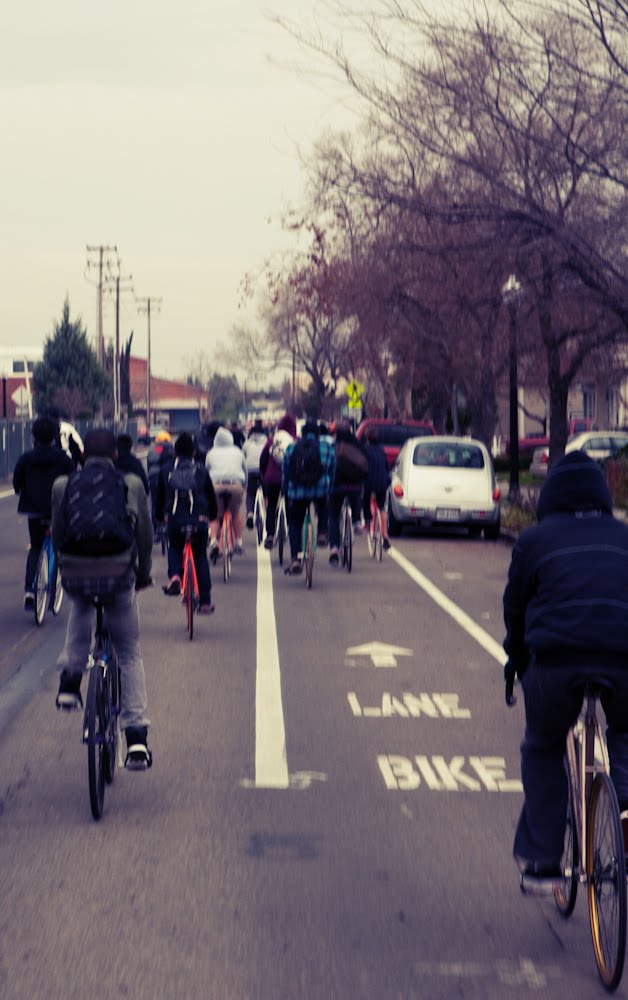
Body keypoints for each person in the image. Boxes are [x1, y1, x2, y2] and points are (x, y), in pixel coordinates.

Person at [503, 451, 628, 888]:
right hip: (623, 658)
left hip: (556, 662)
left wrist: (515, 660)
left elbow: (515, 611)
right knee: (627, 734)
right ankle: (626, 813)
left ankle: (543, 861)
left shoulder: (534, 541)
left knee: (542, 746)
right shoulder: (624, 537)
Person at [52, 428, 154, 770]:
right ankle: (136, 739)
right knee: (129, 651)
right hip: (119, 573)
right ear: (115, 456)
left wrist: (68, 567)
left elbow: (59, 533)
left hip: (77, 572)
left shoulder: (63, 485)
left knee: (80, 604)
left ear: (82, 456)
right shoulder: (131, 484)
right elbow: (144, 536)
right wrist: (142, 575)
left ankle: (70, 683)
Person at [13, 416, 75, 610]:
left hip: (33, 509)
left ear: (34, 436)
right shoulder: (63, 459)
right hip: (57, 508)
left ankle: (29, 590)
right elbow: (73, 482)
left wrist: (23, 490)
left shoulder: (26, 458)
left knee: (36, 547)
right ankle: (57, 586)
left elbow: (17, 483)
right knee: (59, 545)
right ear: (55, 436)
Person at [156, 432, 217, 613]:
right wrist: (212, 516)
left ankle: (175, 576)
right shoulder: (201, 470)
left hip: (175, 519)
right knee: (200, 556)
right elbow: (211, 496)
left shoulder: (166, 470)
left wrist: (159, 516)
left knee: (175, 547)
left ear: (174, 452)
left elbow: (159, 497)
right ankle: (205, 602)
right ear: (194, 452)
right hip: (198, 520)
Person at [282, 420, 335, 575]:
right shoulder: (327, 448)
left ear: (302, 434)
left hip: (297, 491)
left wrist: (286, 490)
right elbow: (332, 470)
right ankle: (322, 532)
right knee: (323, 507)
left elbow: (286, 471)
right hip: (320, 488)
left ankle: (295, 559)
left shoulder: (292, 448)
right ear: (318, 434)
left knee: (295, 523)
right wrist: (329, 487)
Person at [328, 419, 368, 566]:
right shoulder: (358, 444)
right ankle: (356, 522)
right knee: (355, 496)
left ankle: (334, 548)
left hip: (337, 485)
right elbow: (366, 463)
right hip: (355, 484)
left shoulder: (334, 446)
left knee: (333, 516)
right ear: (350, 430)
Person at [205, 426, 248, 556]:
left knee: (214, 514)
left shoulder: (211, 453)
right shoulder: (238, 452)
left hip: (216, 485)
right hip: (235, 485)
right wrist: (244, 486)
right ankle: (238, 542)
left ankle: (213, 541)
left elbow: (206, 471)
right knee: (236, 513)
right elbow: (245, 471)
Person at [259, 413, 297, 550]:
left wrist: (264, 474)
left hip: (272, 479)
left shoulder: (272, 440)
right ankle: (291, 532)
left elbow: (263, 459)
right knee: (291, 507)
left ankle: (270, 534)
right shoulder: (295, 441)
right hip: (289, 479)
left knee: (271, 506)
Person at [362, 426, 391, 550]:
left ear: (367, 438)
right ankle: (385, 535)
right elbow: (386, 467)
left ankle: (367, 521)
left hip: (369, 482)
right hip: (382, 483)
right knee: (382, 507)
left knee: (365, 499)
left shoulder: (365, 450)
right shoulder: (381, 450)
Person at [243, 419, 268, 529]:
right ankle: (266, 512)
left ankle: (250, 513)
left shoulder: (247, 444)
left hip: (251, 470)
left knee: (250, 494)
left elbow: (243, 457)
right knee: (267, 494)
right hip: (264, 471)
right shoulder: (267, 442)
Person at [147, 431, 174, 526]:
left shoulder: (152, 449)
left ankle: (155, 524)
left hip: (153, 477)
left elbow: (149, 466)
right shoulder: (171, 448)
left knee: (155, 501)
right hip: (166, 476)